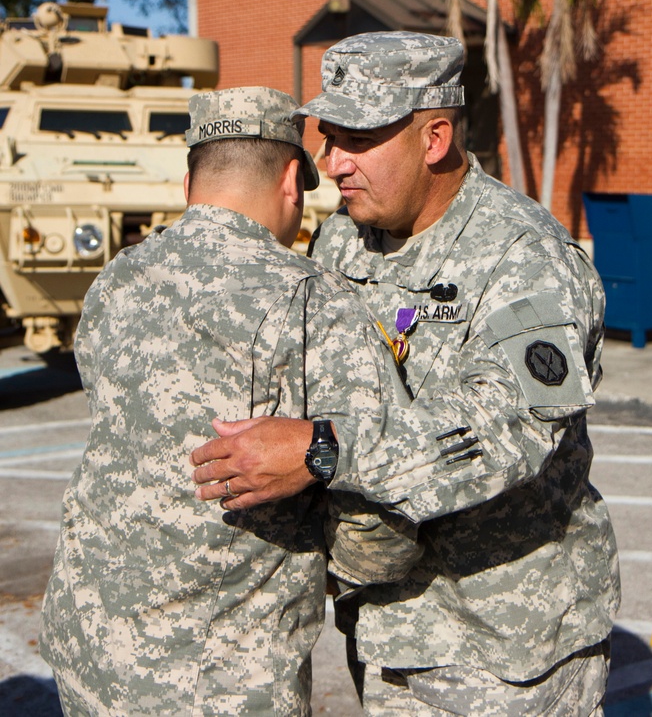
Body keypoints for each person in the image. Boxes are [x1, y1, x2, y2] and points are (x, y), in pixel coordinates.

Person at [190, 32, 620, 714]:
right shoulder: (344, 237)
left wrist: (322, 448)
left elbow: (514, 430)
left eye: (356, 140)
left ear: (435, 138)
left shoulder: (526, 257)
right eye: (328, 138)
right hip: (387, 627)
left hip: (506, 649)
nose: (331, 163)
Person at [40, 86, 417, 714]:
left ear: (189, 182)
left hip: (88, 644)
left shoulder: (119, 277)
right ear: (294, 179)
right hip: (221, 672)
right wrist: (359, 571)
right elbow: (376, 496)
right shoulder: (310, 300)